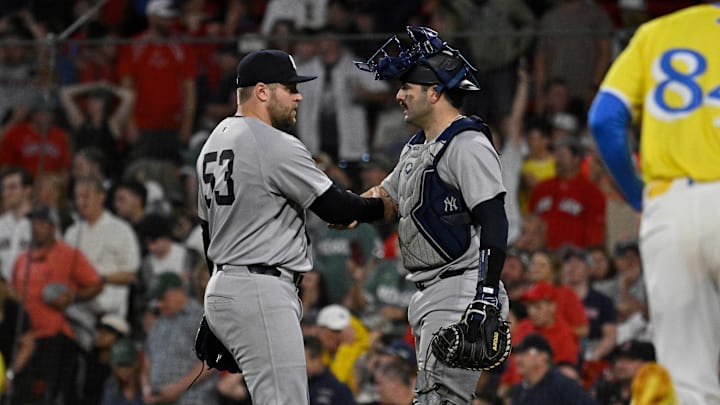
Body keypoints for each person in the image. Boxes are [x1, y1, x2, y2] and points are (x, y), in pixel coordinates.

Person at [197, 49, 394, 405]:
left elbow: (207, 230)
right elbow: (334, 206)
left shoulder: (215, 140)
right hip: (260, 288)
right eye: (289, 88)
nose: (299, 95)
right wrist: (383, 207)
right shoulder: (272, 142)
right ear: (261, 91)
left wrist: (220, 303)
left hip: (227, 285)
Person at [353, 26, 510, 404]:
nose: (399, 94)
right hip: (430, 292)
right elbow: (385, 199)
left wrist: (485, 296)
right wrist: (333, 203)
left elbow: (494, 220)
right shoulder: (418, 147)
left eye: (408, 86)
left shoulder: (467, 144)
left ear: (435, 92)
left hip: (461, 289)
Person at [588, 4, 720, 403]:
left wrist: (638, 193)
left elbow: (604, 120)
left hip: (671, 206)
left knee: (687, 378)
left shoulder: (657, 33)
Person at [11, 205, 103, 404]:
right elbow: (13, 295)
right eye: (34, 222)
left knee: (53, 394)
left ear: (53, 227)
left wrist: (72, 297)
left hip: (55, 336)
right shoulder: (21, 260)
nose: (36, 227)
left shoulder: (68, 254)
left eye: (42, 223)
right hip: (25, 338)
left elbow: (95, 284)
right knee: (24, 394)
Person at [508, 333, 598, 405]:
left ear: (543, 357)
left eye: (524, 353)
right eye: (517, 354)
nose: (517, 359)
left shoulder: (562, 386)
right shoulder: (518, 391)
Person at [0, 167, 33, 281]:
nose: (6, 193)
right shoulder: (1, 224)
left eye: (13, 188)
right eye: (4, 188)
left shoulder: (42, 224)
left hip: (32, 292)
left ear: (27, 190)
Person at [304, 335, 356, 405]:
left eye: (304, 361)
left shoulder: (338, 390)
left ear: (317, 359)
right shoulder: (299, 385)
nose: (301, 367)